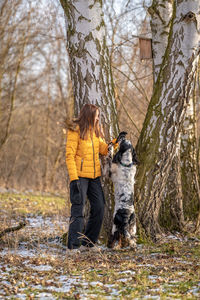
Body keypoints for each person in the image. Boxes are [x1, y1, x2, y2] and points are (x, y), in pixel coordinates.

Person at [65, 103, 122, 253]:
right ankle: (72, 247)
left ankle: (88, 244)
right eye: (96, 115)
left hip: (94, 176)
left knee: (99, 207)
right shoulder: (75, 131)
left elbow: (103, 150)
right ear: (89, 115)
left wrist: (114, 143)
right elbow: (69, 156)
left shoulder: (95, 131)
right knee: (78, 210)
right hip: (79, 176)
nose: (98, 118)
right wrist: (74, 179)